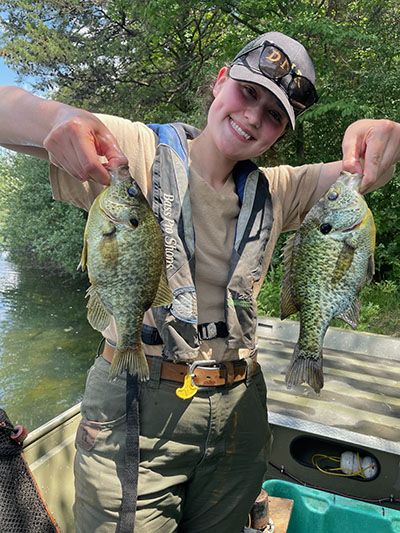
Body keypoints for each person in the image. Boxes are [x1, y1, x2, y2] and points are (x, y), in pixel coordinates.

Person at [0, 31, 399, 533]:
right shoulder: (136, 152)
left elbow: (360, 174)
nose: (254, 116)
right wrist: (57, 119)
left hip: (241, 410)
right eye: (247, 92)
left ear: (280, 134)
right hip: (135, 406)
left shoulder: (281, 189)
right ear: (219, 83)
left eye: (274, 114)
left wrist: (385, 133)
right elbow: (5, 107)